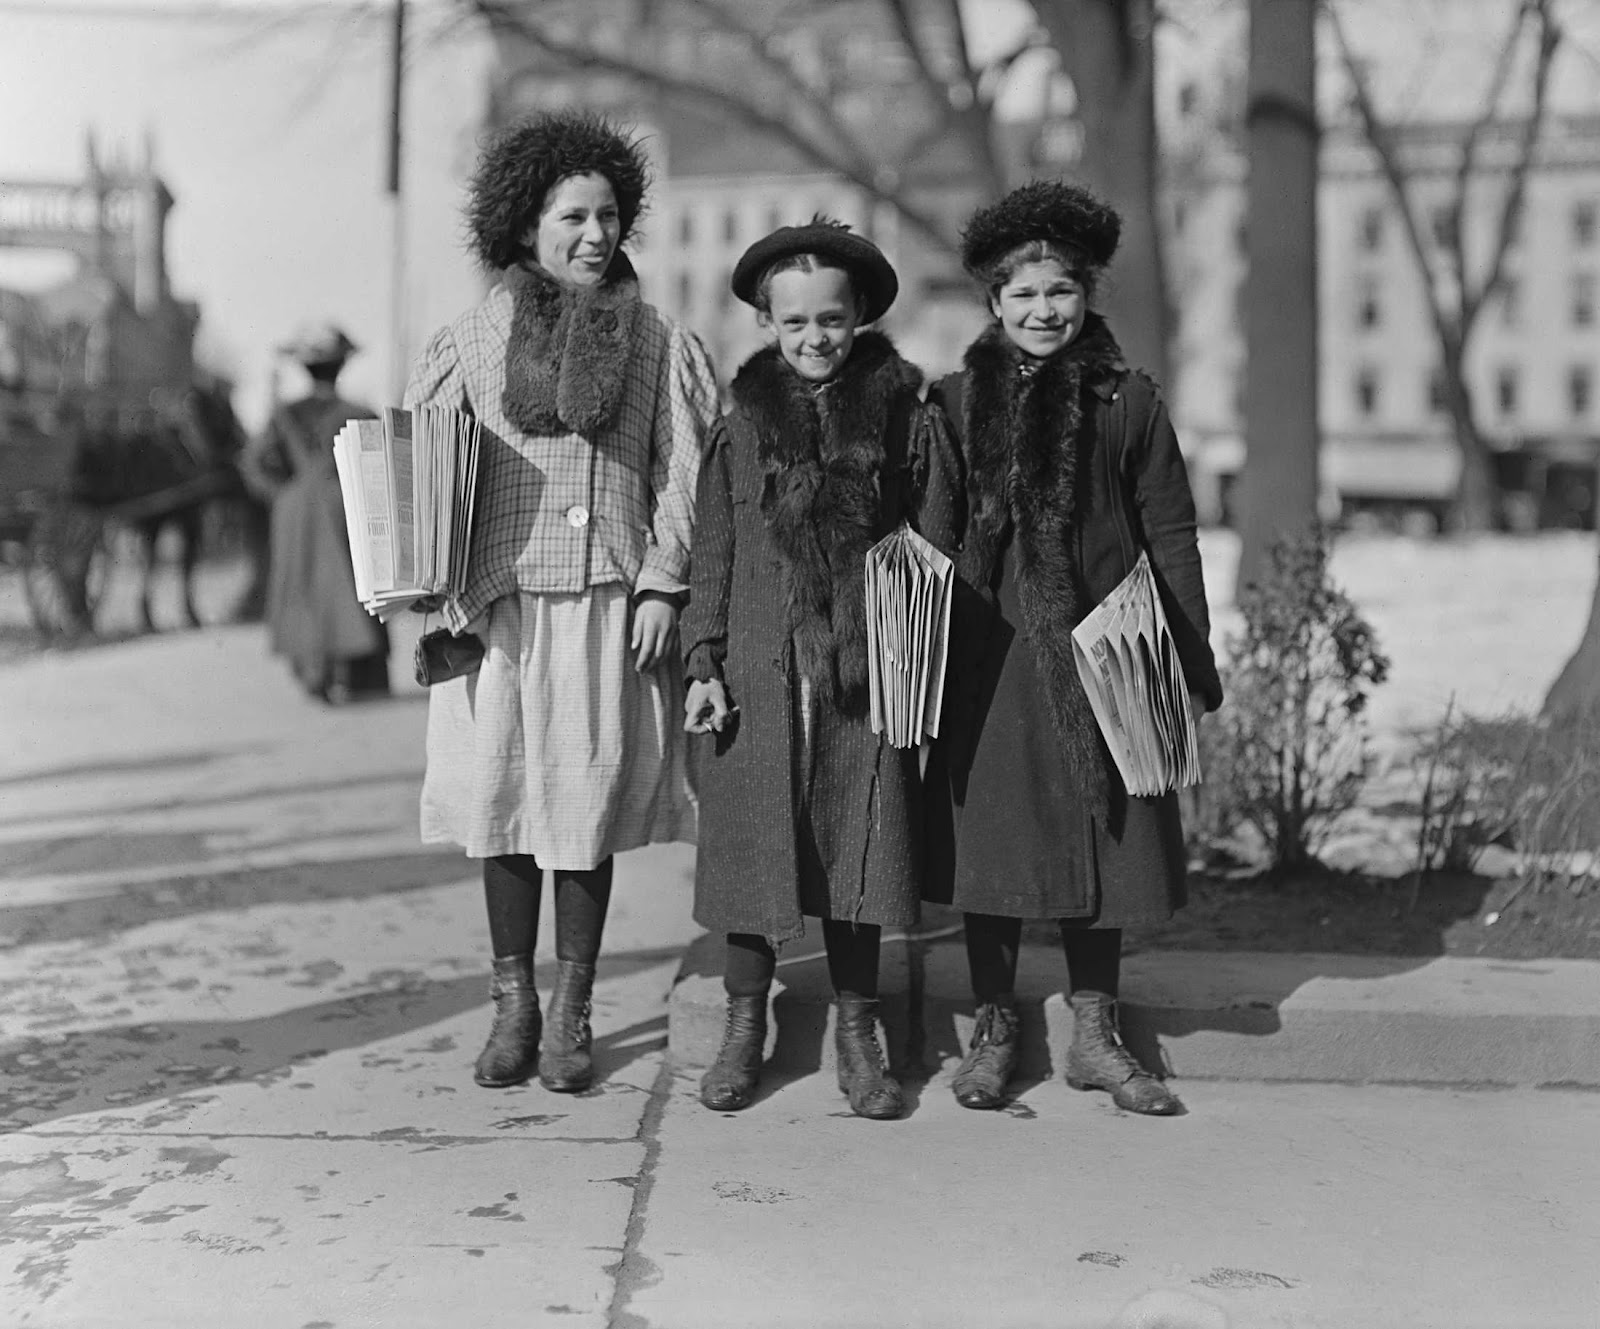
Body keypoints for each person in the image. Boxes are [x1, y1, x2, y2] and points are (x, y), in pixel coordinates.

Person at [404, 111, 719, 1092]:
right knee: (502, 809)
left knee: (579, 810)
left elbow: (682, 472)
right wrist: (416, 577)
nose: (593, 235)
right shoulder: (468, 340)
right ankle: (514, 1005)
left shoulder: (660, 343)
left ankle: (575, 1009)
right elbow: (423, 475)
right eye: (571, 216)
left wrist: (664, 581)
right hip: (494, 609)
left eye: (608, 216)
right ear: (524, 226)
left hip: (604, 609)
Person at [924, 181, 1223, 1115]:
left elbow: (1170, 527)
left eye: (1059, 291)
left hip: (1106, 642)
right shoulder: (954, 401)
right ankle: (995, 1027)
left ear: (1086, 294)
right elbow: (929, 532)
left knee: (1108, 834)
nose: (1042, 310)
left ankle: (1096, 1029)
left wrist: (1187, 649)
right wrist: (916, 645)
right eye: (1022, 295)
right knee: (994, 838)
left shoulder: (1124, 402)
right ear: (993, 305)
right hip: (995, 651)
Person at [681, 218, 962, 1119]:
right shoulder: (739, 432)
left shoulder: (902, 423)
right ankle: (742, 1021)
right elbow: (713, 556)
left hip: (861, 673)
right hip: (761, 675)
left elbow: (933, 543)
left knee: (857, 845)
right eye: (794, 322)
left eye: (831, 320)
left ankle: (857, 1026)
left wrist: (908, 644)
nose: (814, 339)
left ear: (860, 319)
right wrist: (703, 660)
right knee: (755, 850)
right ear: (768, 322)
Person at [245, 324, 390, 703]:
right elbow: (382, 468)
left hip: (294, 509)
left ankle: (313, 670)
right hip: (345, 504)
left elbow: (254, 462)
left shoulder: (285, 415)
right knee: (347, 585)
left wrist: (281, 494)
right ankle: (351, 671)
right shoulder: (359, 412)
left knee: (302, 587)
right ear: (341, 367)